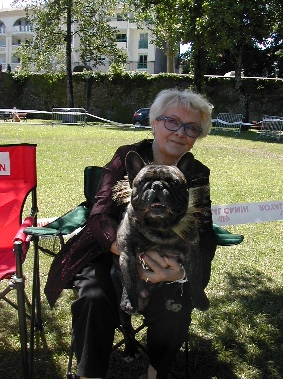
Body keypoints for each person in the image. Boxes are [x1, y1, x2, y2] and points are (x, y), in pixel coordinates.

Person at [45, 88, 217, 379]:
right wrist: (127, 251)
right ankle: (89, 374)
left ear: (197, 136)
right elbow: (98, 213)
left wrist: (180, 273)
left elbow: (204, 230)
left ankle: (154, 373)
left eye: (191, 128)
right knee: (94, 295)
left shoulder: (196, 172)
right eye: (171, 122)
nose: (179, 133)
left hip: (168, 257)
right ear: (153, 123)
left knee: (177, 304)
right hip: (111, 251)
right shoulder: (127, 156)